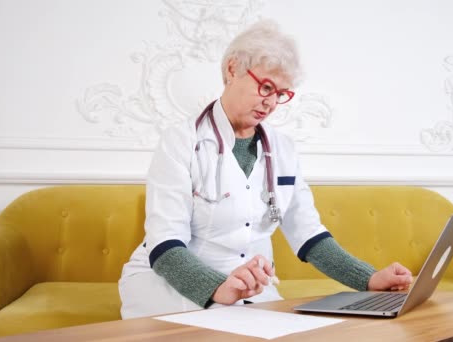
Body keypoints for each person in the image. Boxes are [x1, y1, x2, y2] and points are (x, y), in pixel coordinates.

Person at [118, 19, 413, 319]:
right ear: (232, 70)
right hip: (170, 286)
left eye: (281, 93)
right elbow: (165, 245)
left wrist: (369, 278)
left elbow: (309, 235)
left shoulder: (281, 149)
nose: (271, 102)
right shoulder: (181, 142)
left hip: (249, 291)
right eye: (266, 87)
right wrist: (219, 288)